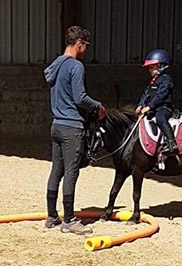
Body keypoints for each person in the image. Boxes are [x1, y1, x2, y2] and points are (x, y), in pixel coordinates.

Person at [43, 26, 106, 235]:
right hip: (72, 127)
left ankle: (52, 215)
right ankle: (69, 220)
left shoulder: (56, 65)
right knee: (71, 171)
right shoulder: (75, 66)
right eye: (86, 46)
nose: (86, 50)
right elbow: (80, 98)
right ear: (79, 43)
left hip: (56, 125)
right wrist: (99, 107)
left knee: (56, 170)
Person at [136, 49, 178, 156]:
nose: (149, 70)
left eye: (152, 67)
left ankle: (171, 143)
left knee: (160, 119)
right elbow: (146, 94)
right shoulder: (153, 81)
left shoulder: (166, 80)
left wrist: (149, 106)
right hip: (153, 109)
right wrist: (140, 105)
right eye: (149, 68)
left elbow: (161, 95)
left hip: (163, 108)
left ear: (161, 66)